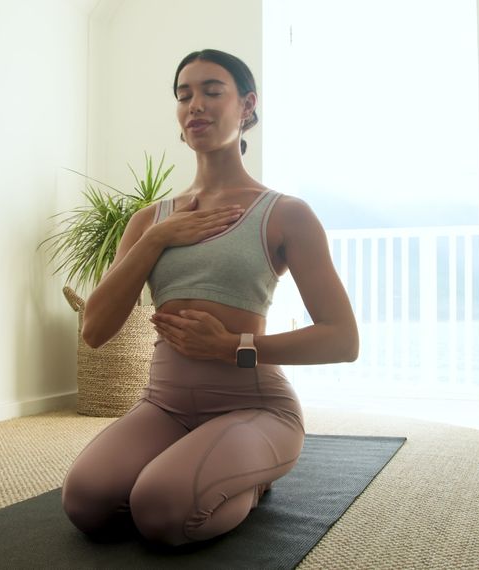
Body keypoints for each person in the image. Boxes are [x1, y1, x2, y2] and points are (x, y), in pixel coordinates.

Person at [61, 48, 358, 547]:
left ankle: (251, 476)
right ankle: (206, 468)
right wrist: (158, 238)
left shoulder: (286, 214)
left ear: (246, 106)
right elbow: (94, 331)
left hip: (255, 406)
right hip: (165, 405)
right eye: (184, 95)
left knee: (159, 510)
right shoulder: (149, 222)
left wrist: (231, 347)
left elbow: (342, 340)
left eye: (212, 91)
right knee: (86, 503)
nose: (195, 104)